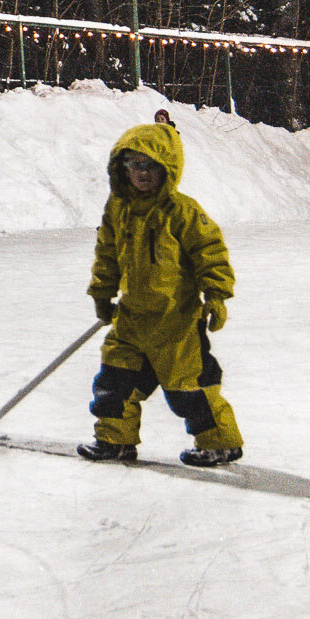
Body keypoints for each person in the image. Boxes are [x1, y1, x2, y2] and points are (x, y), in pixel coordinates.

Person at [77, 119, 244, 467]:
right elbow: (107, 254)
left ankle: (219, 441)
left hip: (176, 324)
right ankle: (114, 441)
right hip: (132, 321)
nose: (143, 173)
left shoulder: (182, 211)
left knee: (190, 390)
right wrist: (102, 293)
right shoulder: (118, 209)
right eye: (135, 164)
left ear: (168, 167)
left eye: (152, 165)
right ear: (123, 168)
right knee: (113, 382)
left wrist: (215, 296)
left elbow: (210, 253)